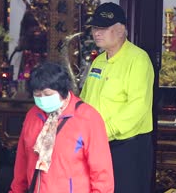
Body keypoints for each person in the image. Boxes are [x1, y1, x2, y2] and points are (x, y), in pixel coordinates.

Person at [80, 2, 155, 193]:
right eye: (95, 28)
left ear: (121, 30)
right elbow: (85, 98)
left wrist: (104, 130)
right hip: (97, 143)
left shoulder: (138, 59)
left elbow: (138, 106)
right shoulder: (98, 60)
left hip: (127, 147)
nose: (97, 33)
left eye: (103, 28)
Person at [9, 62, 114, 193]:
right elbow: (22, 162)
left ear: (63, 91)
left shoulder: (88, 118)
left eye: (47, 94)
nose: (42, 99)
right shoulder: (32, 115)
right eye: (37, 94)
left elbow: (102, 173)